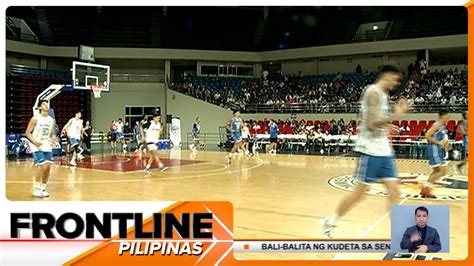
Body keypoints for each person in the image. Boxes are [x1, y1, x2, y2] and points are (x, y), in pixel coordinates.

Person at [322, 62, 410, 238]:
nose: (397, 84)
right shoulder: (372, 92)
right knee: (360, 193)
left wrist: (388, 127)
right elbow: (370, 123)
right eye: (395, 79)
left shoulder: (383, 95)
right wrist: (395, 116)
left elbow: (378, 122)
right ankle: (331, 221)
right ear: (387, 75)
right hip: (370, 151)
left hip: (383, 150)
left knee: (394, 192)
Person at [25, 100, 56, 197]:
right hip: (36, 144)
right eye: (44, 104)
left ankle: (43, 188)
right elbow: (27, 132)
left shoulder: (51, 120)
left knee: (48, 168)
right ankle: (36, 187)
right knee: (43, 166)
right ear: (40, 107)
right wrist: (35, 142)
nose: (46, 105)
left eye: (47, 104)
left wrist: (54, 139)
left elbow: (52, 134)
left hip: (46, 144)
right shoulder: (35, 118)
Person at [420, 110, 451, 198]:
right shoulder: (437, 125)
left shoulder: (442, 126)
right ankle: (427, 188)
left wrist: (446, 145)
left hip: (439, 150)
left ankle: (426, 189)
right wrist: (439, 143)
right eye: (447, 116)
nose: (448, 119)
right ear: (443, 116)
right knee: (441, 171)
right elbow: (427, 135)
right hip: (434, 150)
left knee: (436, 171)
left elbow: (443, 139)